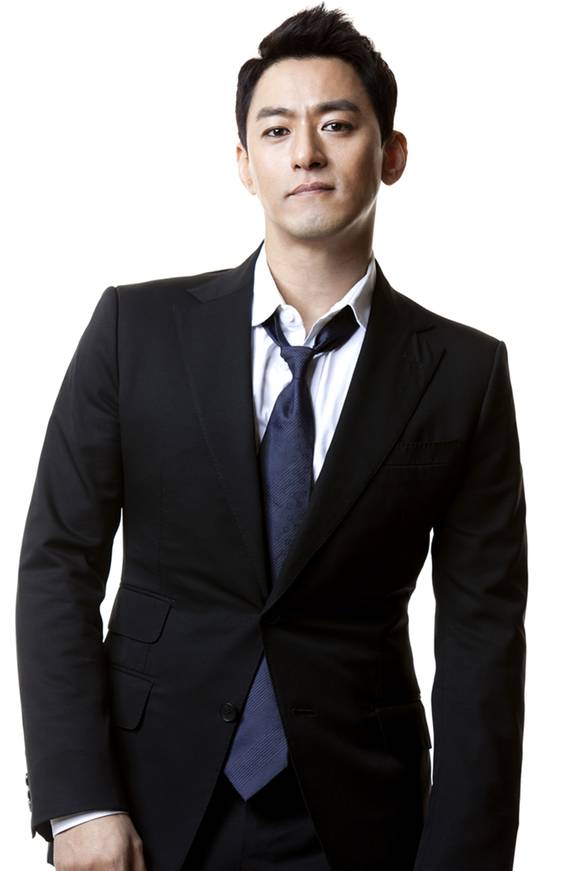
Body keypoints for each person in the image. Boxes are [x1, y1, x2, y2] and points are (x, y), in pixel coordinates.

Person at [15, 3, 528, 870]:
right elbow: (57, 565)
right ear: (244, 163)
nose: (306, 153)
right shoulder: (134, 331)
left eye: (338, 125)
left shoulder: (464, 373)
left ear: (392, 154)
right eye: (277, 129)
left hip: (360, 818)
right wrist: (80, 802)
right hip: (145, 806)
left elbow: (484, 636)